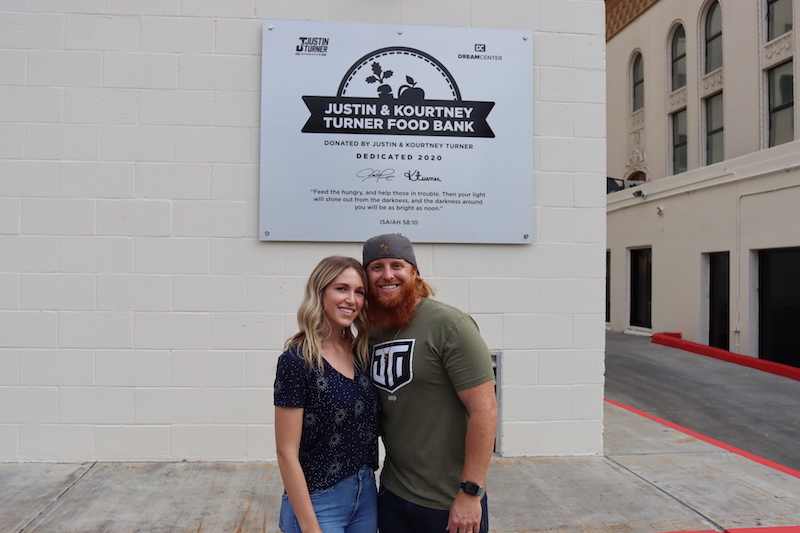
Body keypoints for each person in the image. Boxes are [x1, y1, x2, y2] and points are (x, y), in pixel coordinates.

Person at [362, 234, 498, 533]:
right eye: (376, 267)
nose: (387, 275)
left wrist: (470, 492)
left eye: (397, 265)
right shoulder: (367, 331)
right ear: (366, 277)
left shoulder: (451, 325)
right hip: (393, 495)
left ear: (414, 272)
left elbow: (485, 411)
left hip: (450, 501)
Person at [274, 256, 379, 533]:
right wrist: (310, 528)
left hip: (366, 494)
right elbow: (286, 453)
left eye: (359, 292)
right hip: (318, 502)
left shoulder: (362, 354)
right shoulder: (297, 361)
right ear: (320, 292)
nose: (352, 300)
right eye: (341, 288)